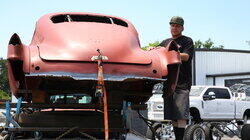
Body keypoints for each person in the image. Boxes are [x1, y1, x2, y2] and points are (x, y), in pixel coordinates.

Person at [156, 16, 194, 140]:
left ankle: (180, 138)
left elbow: (186, 57)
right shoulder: (165, 42)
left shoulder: (187, 41)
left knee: (181, 114)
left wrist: (170, 54)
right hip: (169, 83)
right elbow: (157, 53)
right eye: (172, 25)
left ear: (182, 28)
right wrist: (153, 50)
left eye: (177, 26)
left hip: (182, 83)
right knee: (172, 115)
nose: (174, 28)